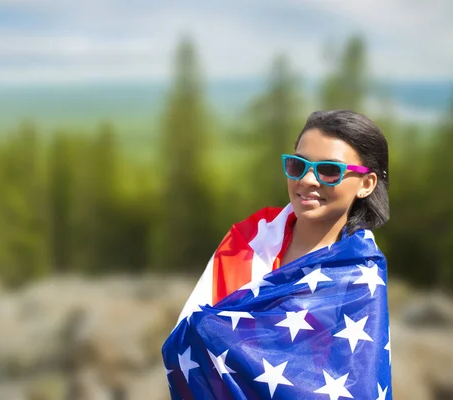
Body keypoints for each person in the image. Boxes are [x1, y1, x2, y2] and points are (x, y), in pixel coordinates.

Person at [162, 110, 392, 399]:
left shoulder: (359, 274)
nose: (308, 180)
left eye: (329, 170)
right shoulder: (248, 242)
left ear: (366, 184)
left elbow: (357, 385)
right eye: (298, 165)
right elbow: (187, 340)